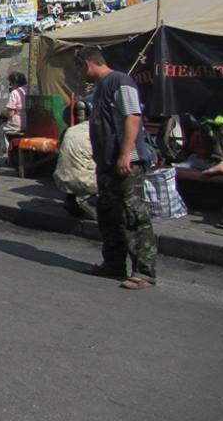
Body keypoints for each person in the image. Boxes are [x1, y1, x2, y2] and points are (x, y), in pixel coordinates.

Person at [74, 46, 157, 290]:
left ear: (86, 64)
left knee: (133, 216)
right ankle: (113, 264)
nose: (80, 75)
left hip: (125, 162)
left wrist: (125, 154)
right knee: (108, 216)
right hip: (107, 164)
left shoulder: (120, 81)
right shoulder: (101, 88)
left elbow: (132, 116)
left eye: (79, 69)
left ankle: (144, 272)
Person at [53, 100, 97, 220]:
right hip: (85, 181)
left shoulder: (68, 130)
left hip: (61, 180)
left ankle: (72, 201)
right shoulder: (96, 130)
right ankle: (90, 200)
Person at [0, 72, 28, 167]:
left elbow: (10, 113)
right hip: (30, 123)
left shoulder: (15, 93)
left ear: (15, 83)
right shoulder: (32, 90)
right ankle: (9, 156)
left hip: (17, 125)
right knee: (3, 132)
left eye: (11, 83)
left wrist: (2, 113)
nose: (10, 85)